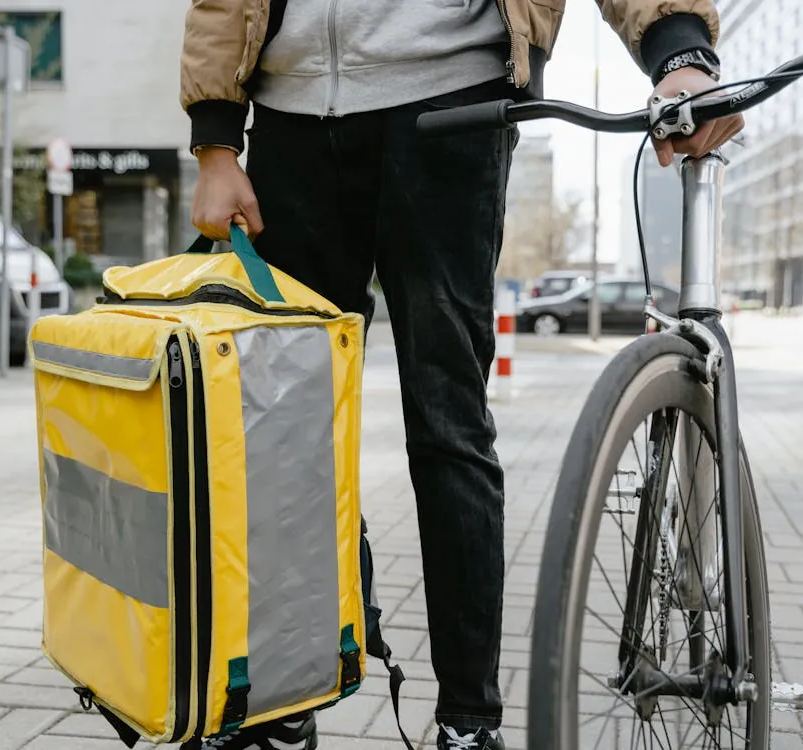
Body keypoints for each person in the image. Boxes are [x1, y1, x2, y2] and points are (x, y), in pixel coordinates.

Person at [179, 1, 741, 748]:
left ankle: (468, 723)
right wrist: (216, 139)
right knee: (282, 433)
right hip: (290, 123)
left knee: (447, 427)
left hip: (447, 110)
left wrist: (677, 50)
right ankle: (282, 699)